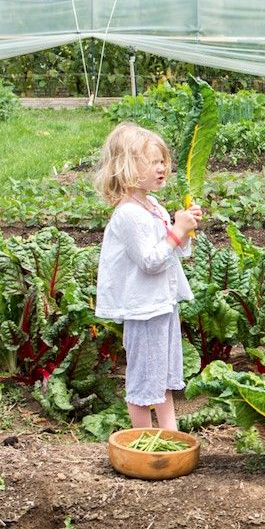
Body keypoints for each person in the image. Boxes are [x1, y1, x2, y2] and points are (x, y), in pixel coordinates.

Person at [93, 122, 202, 432]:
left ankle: (169, 434)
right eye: (152, 161)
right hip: (143, 309)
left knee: (164, 373)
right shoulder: (128, 214)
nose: (161, 168)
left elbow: (176, 253)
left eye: (162, 161)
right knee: (143, 378)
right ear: (126, 167)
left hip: (163, 303)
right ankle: (141, 438)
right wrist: (177, 230)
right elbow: (151, 261)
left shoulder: (152, 205)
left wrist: (185, 229)